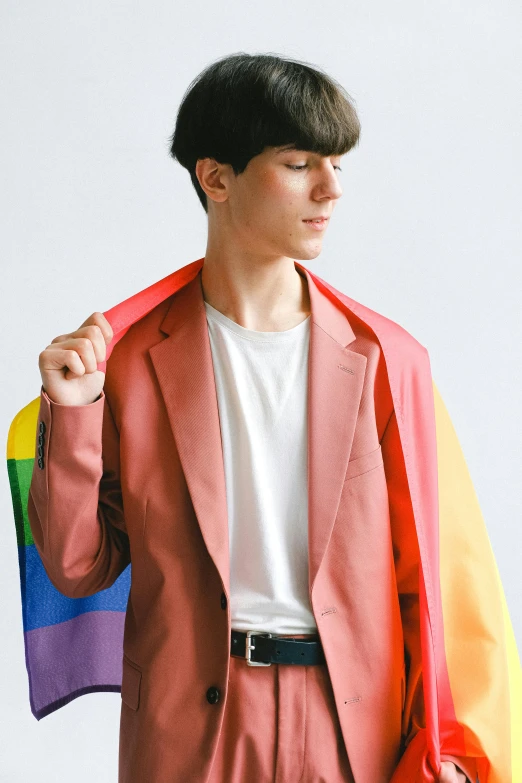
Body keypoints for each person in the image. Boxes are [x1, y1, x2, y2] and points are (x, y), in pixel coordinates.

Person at [28, 52, 480, 782]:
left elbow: (426, 577)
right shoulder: (131, 360)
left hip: (351, 722)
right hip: (192, 728)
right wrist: (74, 412)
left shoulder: (387, 359)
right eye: (302, 163)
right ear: (216, 178)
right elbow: (78, 566)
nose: (331, 188)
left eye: (337, 164)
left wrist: (445, 749)